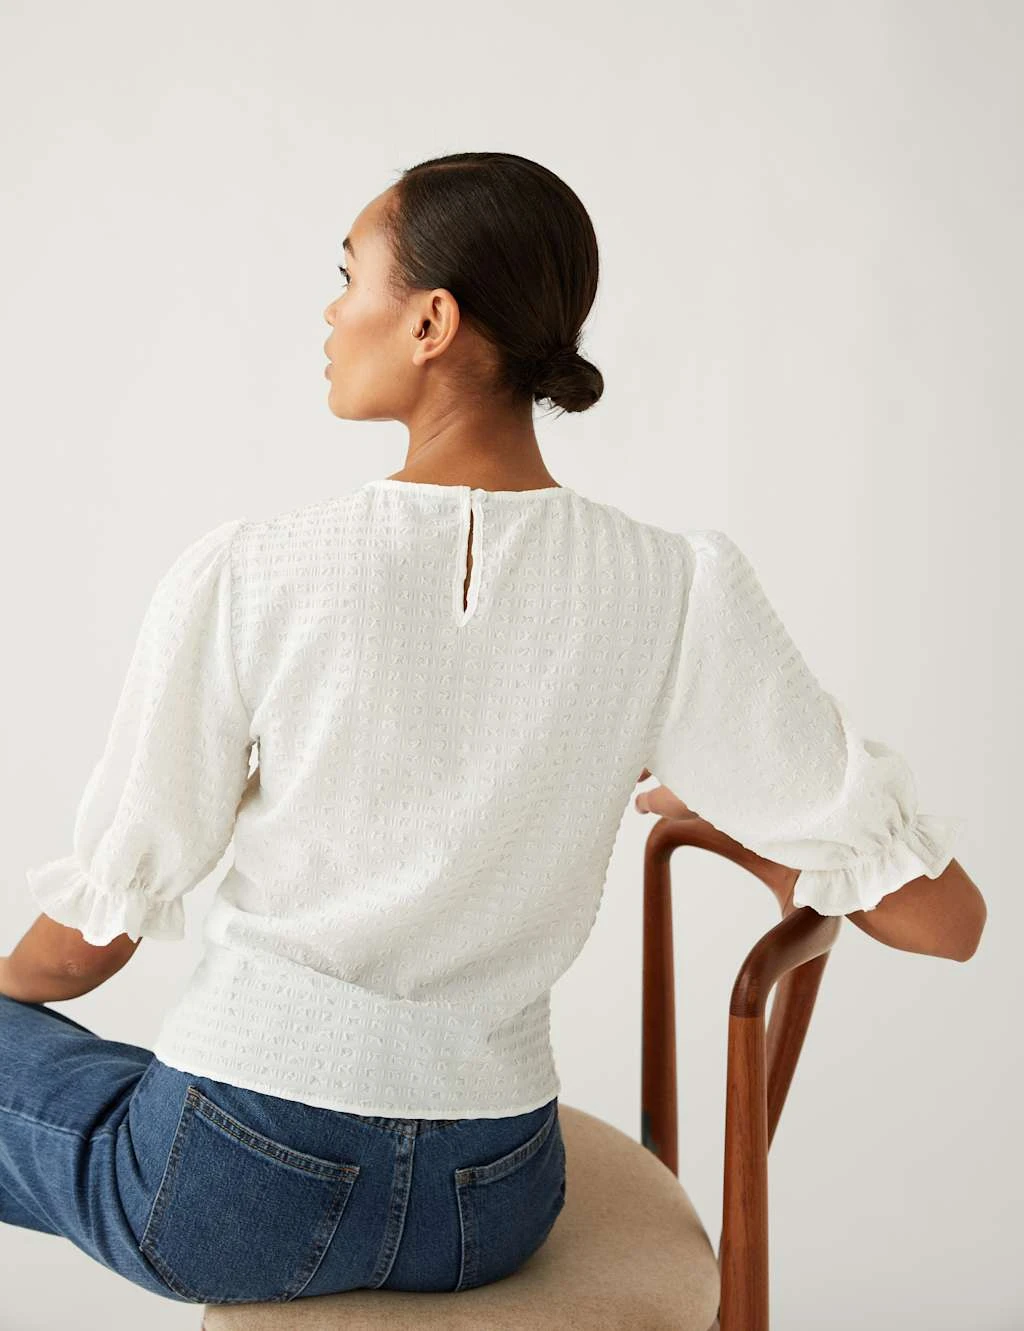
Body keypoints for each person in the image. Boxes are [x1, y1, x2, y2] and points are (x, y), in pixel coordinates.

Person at [1, 151, 985, 1308]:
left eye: (348, 276)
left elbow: (90, 939)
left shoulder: (253, 571)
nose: (330, 312)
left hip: (238, 1183)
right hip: (491, 1202)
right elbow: (944, 921)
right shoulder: (671, 588)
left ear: (430, 321)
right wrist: (748, 808)